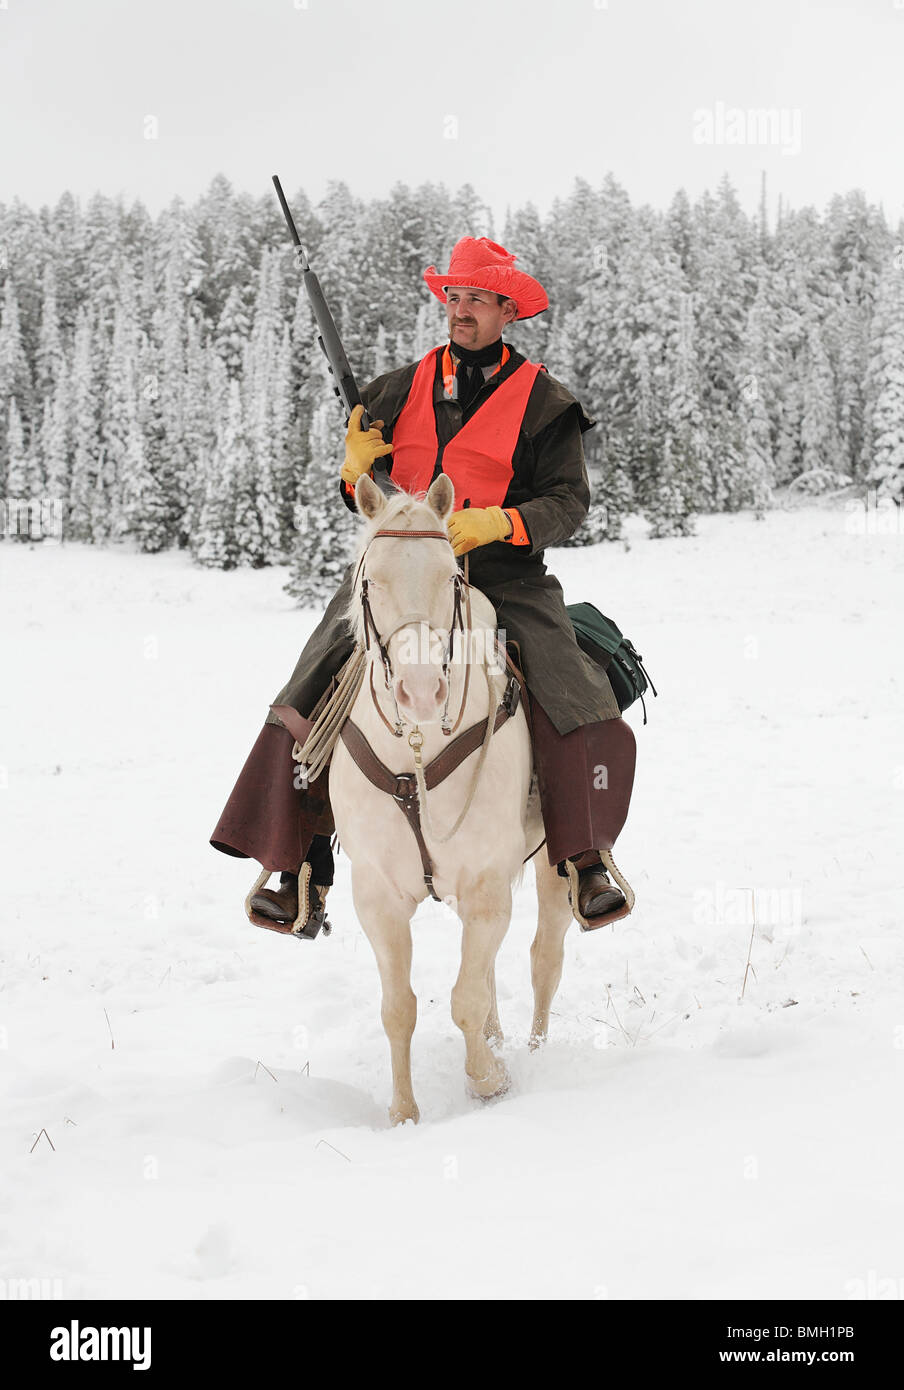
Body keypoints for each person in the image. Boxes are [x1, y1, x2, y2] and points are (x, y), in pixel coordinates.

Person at [210, 237, 637, 934]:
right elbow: (363, 495)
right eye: (453, 298)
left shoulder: (546, 402)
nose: (459, 311)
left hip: (503, 571)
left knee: (570, 687)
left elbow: (569, 502)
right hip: (404, 569)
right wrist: (354, 473)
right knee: (312, 679)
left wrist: (500, 523)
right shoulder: (393, 389)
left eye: (474, 299)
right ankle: (300, 865)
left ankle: (584, 856)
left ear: (507, 310)